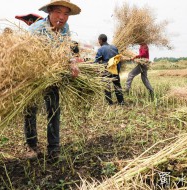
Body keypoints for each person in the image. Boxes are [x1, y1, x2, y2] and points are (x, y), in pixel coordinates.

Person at [25, 0, 81, 161]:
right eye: (58, 11)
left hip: (53, 76)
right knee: (30, 110)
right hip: (33, 76)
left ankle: (54, 148)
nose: (62, 17)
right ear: (49, 11)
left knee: (54, 109)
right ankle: (31, 146)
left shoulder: (65, 29)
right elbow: (26, 56)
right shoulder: (35, 30)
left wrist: (72, 62)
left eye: (66, 13)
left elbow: (67, 49)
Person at [94, 34, 124, 105]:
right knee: (117, 85)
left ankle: (110, 103)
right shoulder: (114, 47)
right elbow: (118, 59)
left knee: (107, 86)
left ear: (101, 40)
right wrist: (118, 70)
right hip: (115, 69)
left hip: (106, 70)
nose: (98, 42)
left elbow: (97, 61)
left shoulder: (101, 49)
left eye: (99, 40)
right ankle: (121, 102)